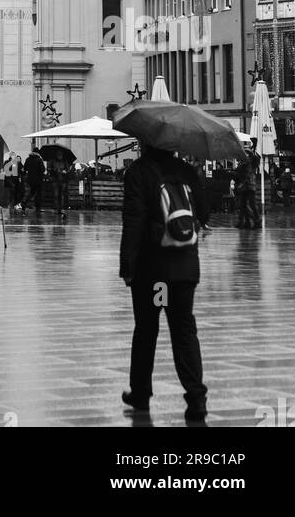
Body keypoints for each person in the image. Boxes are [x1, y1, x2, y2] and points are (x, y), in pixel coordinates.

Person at [119, 141, 209, 425]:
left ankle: (141, 393)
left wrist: (127, 267)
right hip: (185, 270)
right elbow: (204, 214)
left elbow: (133, 222)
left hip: (155, 274)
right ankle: (196, 399)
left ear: (145, 142)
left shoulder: (139, 172)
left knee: (147, 330)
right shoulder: (186, 171)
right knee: (184, 332)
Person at [234, 153, 260, 228]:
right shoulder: (245, 163)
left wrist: (242, 184)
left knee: (251, 204)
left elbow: (248, 175)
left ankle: (256, 221)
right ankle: (246, 222)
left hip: (249, 186)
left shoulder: (250, 163)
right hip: (246, 187)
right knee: (243, 205)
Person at [24, 144, 46, 217]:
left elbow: (25, 168)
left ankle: (25, 201)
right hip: (38, 179)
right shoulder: (39, 160)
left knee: (32, 191)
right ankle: (37, 207)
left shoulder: (28, 159)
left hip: (30, 179)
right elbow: (42, 169)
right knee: (38, 193)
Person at [50, 150, 69, 221]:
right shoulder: (53, 161)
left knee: (61, 195)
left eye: (60, 155)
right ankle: (56, 208)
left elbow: (67, 170)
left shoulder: (65, 161)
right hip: (55, 180)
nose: (59, 156)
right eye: (58, 155)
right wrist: (56, 170)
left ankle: (60, 209)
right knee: (56, 195)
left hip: (62, 180)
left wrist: (65, 171)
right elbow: (51, 170)